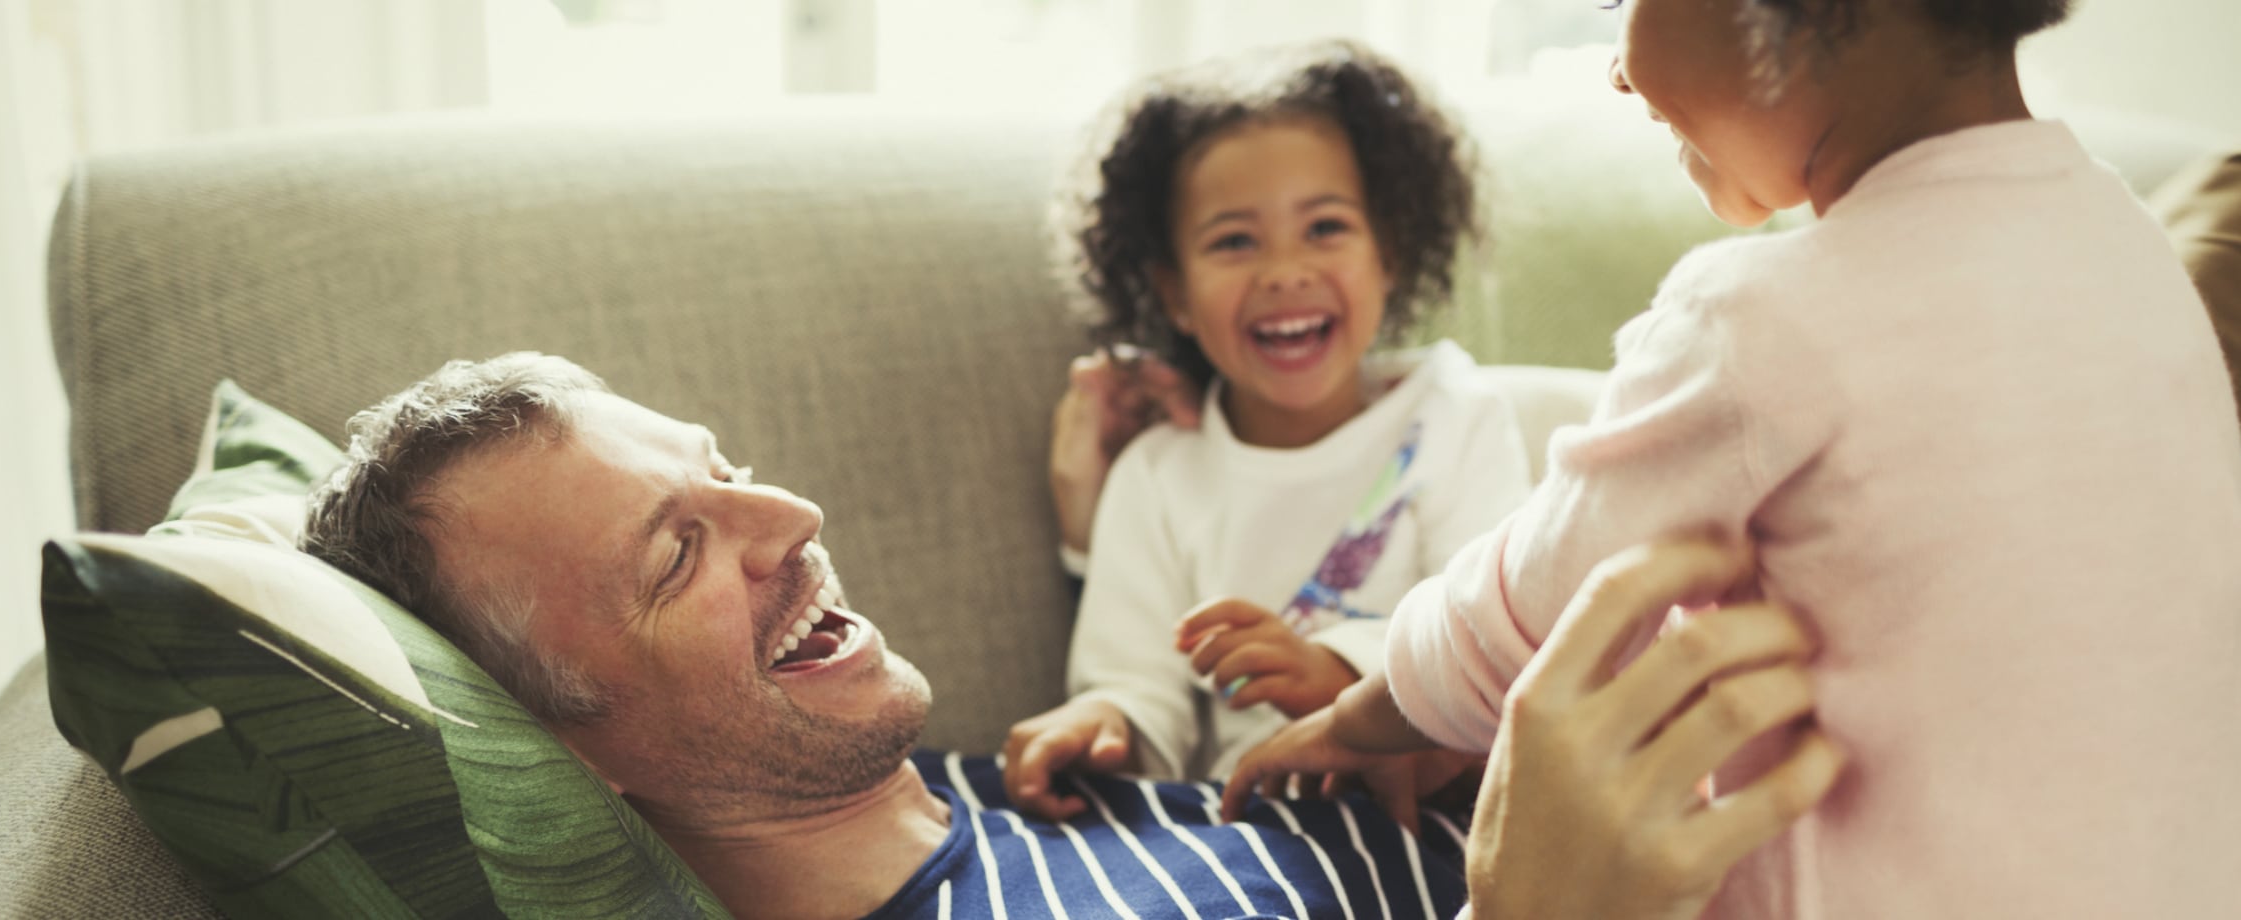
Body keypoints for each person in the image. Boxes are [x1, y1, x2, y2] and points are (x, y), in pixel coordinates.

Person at [1227, 1, 2241, 918]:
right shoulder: (2132, 251)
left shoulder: (1761, 317)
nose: (1618, 72)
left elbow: (1532, 605)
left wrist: (1358, 718)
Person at [298, 352, 1477, 920]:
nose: (794, 519)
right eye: (678, 553)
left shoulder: (1019, 775)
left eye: (728, 472)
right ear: (555, 741)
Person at [1007, 39, 1534, 821]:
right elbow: (1134, 683)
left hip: (1432, 821)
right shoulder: (1159, 471)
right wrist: (1102, 724)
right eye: (1233, 241)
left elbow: (1492, 646)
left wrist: (1338, 678)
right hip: (1241, 832)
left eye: (1324, 227)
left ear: (1390, 254)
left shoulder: (1456, 419)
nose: (1284, 270)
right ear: (1174, 293)